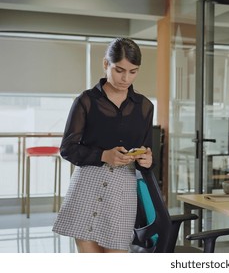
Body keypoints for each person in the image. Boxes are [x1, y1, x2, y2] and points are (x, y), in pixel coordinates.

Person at [52, 38, 154, 253]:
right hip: (87, 185)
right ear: (106, 64)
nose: (126, 78)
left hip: (122, 190)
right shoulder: (86, 101)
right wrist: (103, 155)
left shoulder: (144, 106)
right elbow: (67, 149)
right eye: (119, 70)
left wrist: (147, 160)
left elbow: (147, 154)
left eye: (133, 71)